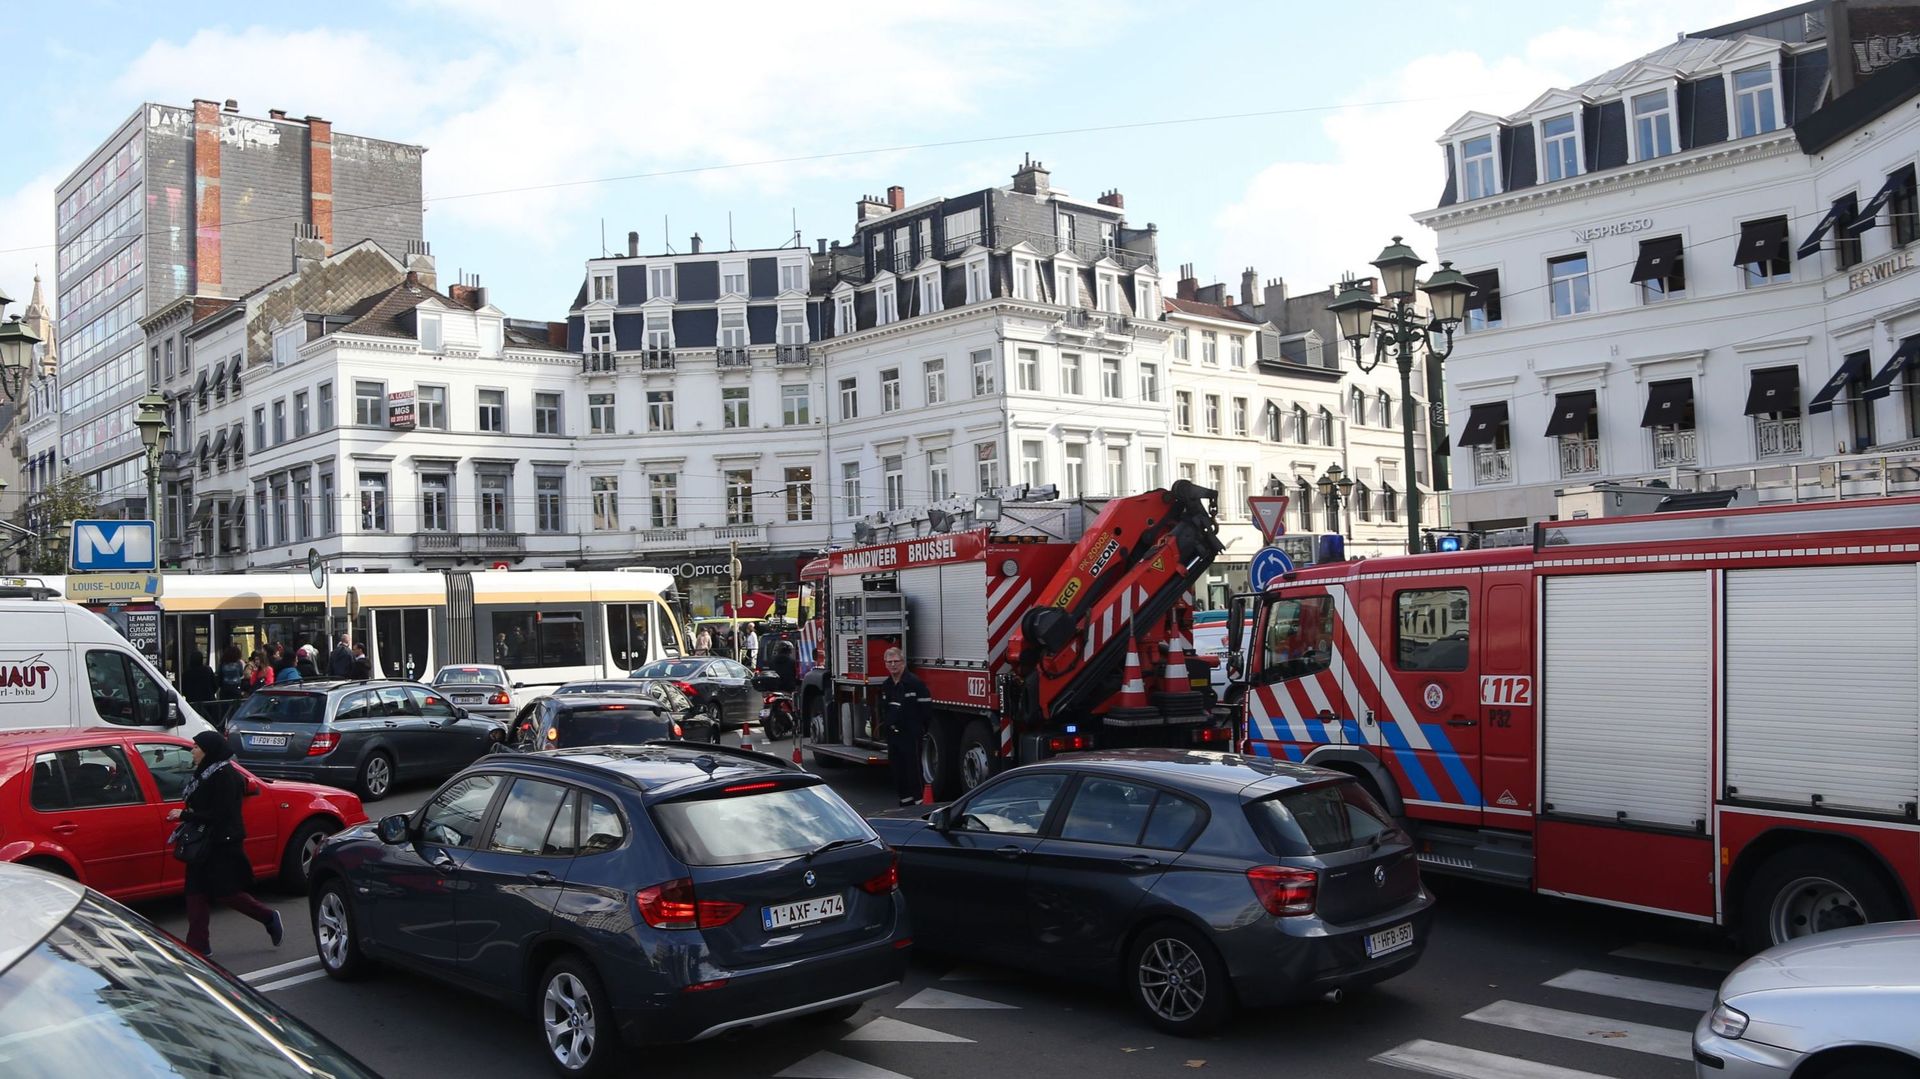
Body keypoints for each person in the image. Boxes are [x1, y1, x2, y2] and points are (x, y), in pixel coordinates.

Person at [170, 731, 282, 957]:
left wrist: (184, 816)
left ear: (208, 750)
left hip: (223, 843)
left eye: (196, 747)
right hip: (203, 842)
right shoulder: (204, 772)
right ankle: (198, 946)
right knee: (194, 892)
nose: (192, 751)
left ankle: (267, 916)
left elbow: (220, 814)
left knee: (225, 892)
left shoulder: (225, 776)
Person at [878, 647, 931, 806]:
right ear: (885, 664)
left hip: (910, 735)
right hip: (893, 737)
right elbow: (883, 710)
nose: (893, 665)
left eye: (896, 661)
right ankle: (905, 806)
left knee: (913, 772)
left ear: (903, 663)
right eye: (890, 662)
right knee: (898, 773)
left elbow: (926, 710)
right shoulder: (886, 685)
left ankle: (920, 808)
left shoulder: (914, 683)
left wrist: (919, 730)